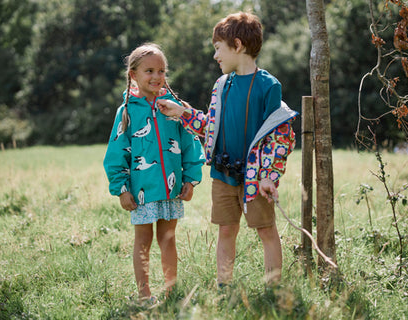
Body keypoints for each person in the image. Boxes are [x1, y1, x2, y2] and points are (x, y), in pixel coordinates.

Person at [157, 12, 298, 287]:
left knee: (267, 230)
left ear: (237, 45)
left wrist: (269, 175)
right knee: (226, 230)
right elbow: (210, 126)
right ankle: (224, 287)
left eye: (218, 48)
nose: (215, 56)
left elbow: (279, 137)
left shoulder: (269, 86)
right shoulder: (221, 85)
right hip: (223, 175)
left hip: (256, 178)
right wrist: (180, 111)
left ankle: (273, 288)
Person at [103, 43, 205, 303]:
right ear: (133, 74)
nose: (157, 77)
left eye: (161, 71)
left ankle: (171, 291)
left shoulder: (174, 109)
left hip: (171, 191)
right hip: (141, 192)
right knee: (143, 241)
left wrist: (191, 180)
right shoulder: (126, 112)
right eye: (149, 70)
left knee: (168, 238)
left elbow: (191, 146)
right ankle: (144, 294)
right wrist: (122, 189)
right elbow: (116, 154)